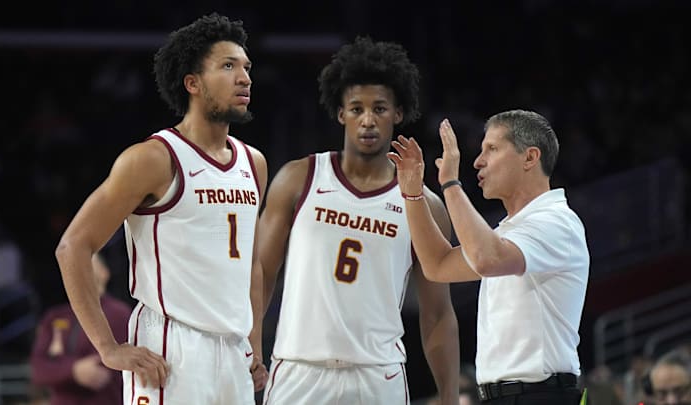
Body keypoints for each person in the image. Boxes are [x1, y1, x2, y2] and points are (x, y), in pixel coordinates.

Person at [54, 13, 269, 405]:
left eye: (246, 67)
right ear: (193, 83)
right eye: (228, 66)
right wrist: (108, 348)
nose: (245, 78)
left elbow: (251, 263)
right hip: (172, 347)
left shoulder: (253, 162)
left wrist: (254, 341)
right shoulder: (153, 159)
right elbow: (73, 247)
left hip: (234, 348)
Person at [259, 36, 460, 405]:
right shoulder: (298, 178)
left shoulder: (424, 204)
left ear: (398, 113)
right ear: (341, 114)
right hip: (300, 370)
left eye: (380, 108)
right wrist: (251, 348)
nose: (368, 120)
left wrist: (449, 395)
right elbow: (261, 273)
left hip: (377, 373)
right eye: (356, 109)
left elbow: (437, 313)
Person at [388, 109, 589, 404]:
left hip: (540, 395)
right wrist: (413, 194)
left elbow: (486, 258)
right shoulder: (512, 231)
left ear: (530, 157)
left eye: (492, 149)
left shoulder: (557, 222)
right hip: (504, 395)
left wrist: (450, 185)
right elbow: (438, 266)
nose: (477, 161)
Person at [30, 252, 132, 405]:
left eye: (88, 259)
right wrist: (73, 370)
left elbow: (119, 368)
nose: (79, 266)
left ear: (105, 273)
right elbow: (38, 369)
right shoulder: (56, 317)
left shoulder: (121, 315)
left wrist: (62, 369)